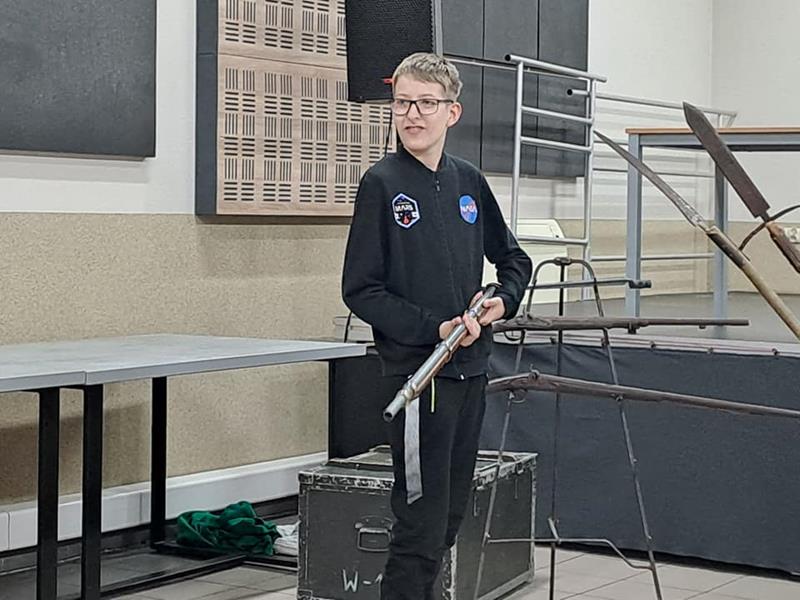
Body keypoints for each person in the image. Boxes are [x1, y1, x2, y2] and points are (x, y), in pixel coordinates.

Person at [341, 52, 532, 600]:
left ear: (453, 112)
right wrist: (434, 328)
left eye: (426, 103)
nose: (412, 114)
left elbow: (513, 260)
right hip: (419, 379)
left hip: (471, 372)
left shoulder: (468, 181)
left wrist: (502, 303)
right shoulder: (381, 184)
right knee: (420, 525)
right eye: (402, 103)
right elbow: (360, 289)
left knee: (449, 518)